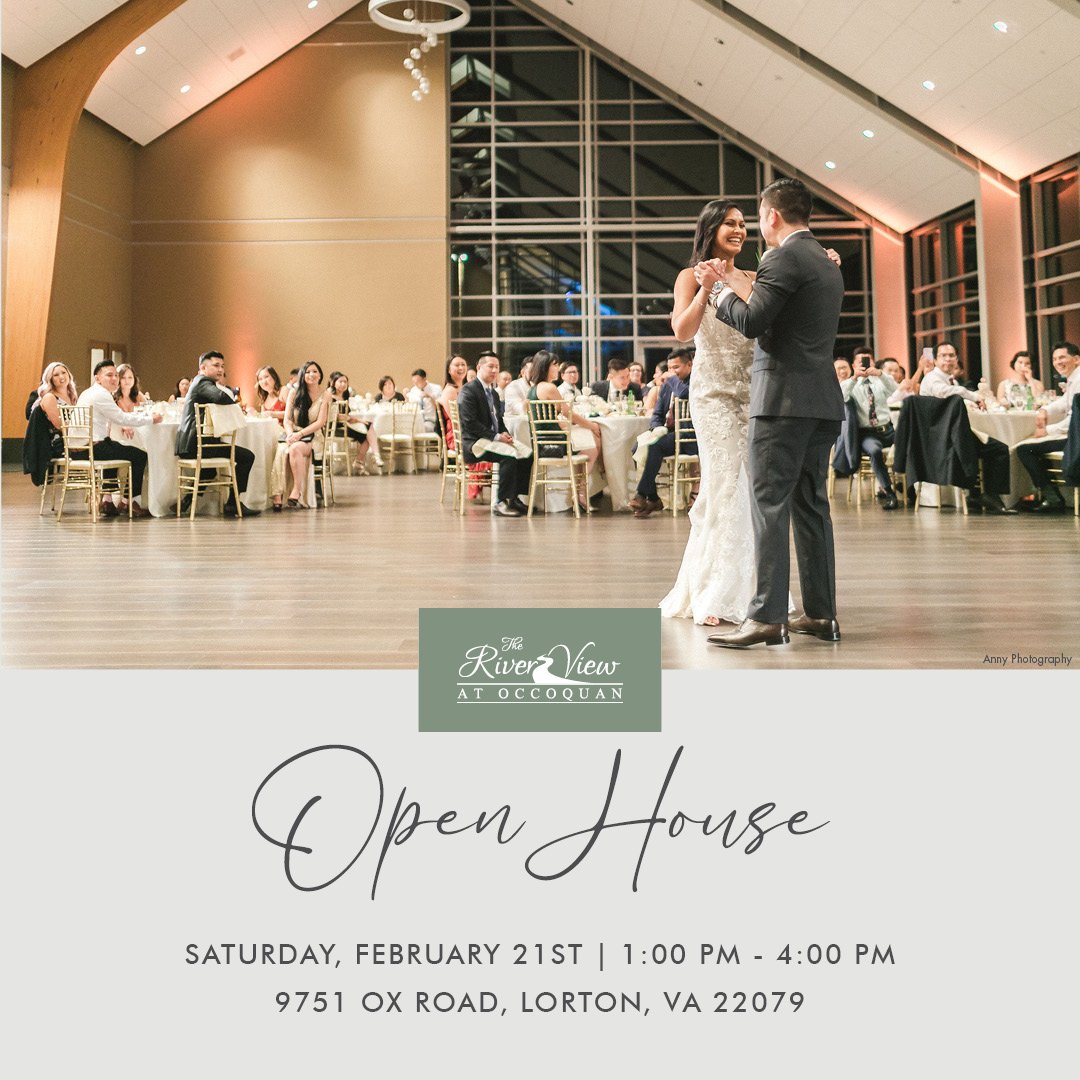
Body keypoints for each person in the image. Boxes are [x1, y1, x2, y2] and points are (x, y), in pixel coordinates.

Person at [709, 178, 846, 647]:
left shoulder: (781, 257)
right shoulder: (828, 262)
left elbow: (751, 321)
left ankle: (767, 616)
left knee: (769, 506)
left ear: (772, 216)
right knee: (812, 508)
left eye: (758, 216)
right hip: (822, 402)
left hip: (782, 403)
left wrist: (717, 295)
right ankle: (822, 615)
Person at [920, 341, 1015, 513]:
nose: (948, 360)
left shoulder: (953, 382)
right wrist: (972, 396)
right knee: (997, 449)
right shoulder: (932, 379)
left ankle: (982, 494)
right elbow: (943, 392)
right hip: (940, 438)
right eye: (943, 356)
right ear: (934, 360)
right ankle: (984, 495)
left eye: (951, 356)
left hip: (952, 433)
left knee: (997, 447)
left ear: (956, 359)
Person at [175, 350, 260, 517]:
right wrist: (233, 400)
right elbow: (220, 397)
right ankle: (233, 503)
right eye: (216, 365)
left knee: (210, 470)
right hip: (197, 444)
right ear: (203, 367)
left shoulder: (200, 382)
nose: (220, 370)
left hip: (189, 444)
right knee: (248, 456)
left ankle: (187, 500)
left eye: (222, 366)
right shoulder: (203, 382)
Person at [75, 357, 162, 518]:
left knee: (114, 446)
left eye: (116, 375)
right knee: (139, 455)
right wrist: (152, 419)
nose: (114, 379)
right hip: (90, 447)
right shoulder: (101, 395)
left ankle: (108, 501)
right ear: (98, 378)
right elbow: (122, 418)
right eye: (109, 375)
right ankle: (131, 502)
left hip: (82, 446)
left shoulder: (89, 392)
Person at [456, 352, 533, 517]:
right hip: (474, 442)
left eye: (497, 367)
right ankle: (500, 502)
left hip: (490, 439)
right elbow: (470, 423)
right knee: (509, 456)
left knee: (526, 453)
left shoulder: (494, 393)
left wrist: (504, 432)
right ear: (479, 367)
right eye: (490, 366)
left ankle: (514, 497)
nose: (494, 370)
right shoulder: (469, 391)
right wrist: (497, 437)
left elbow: (498, 419)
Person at [526, 350, 602, 506]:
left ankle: (580, 491)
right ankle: (580, 491)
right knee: (594, 444)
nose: (558, 368)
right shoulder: (549, 388)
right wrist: (591, 425)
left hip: (541, 441)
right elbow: (568, 413)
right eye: (555, 365)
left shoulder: (532, 389)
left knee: (588, 439)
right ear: (545, 367)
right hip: (555, 442)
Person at [629, 347, 695, 519]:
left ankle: (642, 494)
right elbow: (657, 414)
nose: (672, 372)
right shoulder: (667, 386)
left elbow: (682, 394)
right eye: (670, 368)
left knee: (655, 447)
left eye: (676, 367)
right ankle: (653, 497)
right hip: (668, 433)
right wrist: (656, 428)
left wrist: (671, 379)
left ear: (689, 365)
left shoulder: (693, 382)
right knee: (638, 447)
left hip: (689, 436)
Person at [1017, 341, 1079, 513]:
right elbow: (1064, 402)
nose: (1058, 362)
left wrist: (1047, 430)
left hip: (1075, 438)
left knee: (1024, 449)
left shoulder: (1079, 380)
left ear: (1076, 359)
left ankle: (1052, 498)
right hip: (1072, 435)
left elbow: (1075, 419)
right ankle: (1052, 496)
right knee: (1030, 447)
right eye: (1055, 359)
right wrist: (1045, 410)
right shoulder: (1073, 379)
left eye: (1062, 357)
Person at [840, 346, 900, 509]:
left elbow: (895, 389)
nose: (865, 364)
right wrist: (854, 378)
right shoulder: (851, 385)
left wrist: (880, 374)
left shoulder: (880, 381)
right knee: (874, 451)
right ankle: (889, 492)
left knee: (910, 443)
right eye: (861, 361)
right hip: (867, 433)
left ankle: (908, 486)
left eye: (868, 360)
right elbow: (842, 396)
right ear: (854, 365)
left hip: (887, 429)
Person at [270, 360, 331, 509]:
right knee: (281, 450)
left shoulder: (326, 394)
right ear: (302, 375)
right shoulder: (294, 392)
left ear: (320, 375)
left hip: (314, 436)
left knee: (295, 448)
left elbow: (321, 422)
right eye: (308, 371)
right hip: (293, 433)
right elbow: (287, 419)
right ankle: (277, 494)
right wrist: (291, 434)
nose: (311, 374)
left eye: (315, 371)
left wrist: (300, 435)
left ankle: (296, 490)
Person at [23, 362, 77, 487]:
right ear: (50, 379)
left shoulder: (72, 396)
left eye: (64, 372)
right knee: (96, 450)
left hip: (70, 439)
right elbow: (59, 425)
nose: (61, 377)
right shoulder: (50, 397)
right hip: (56, 444)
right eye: (56, 375)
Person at [407, 367, 442, 432]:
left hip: (431, 420)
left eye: (417, 381)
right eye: (414, 382)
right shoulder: (413, 390)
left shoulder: (436, 389)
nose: (415, 384)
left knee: (422, 429)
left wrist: (430, 397)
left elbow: (440, 409)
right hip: (417, 421)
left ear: (425, 379)